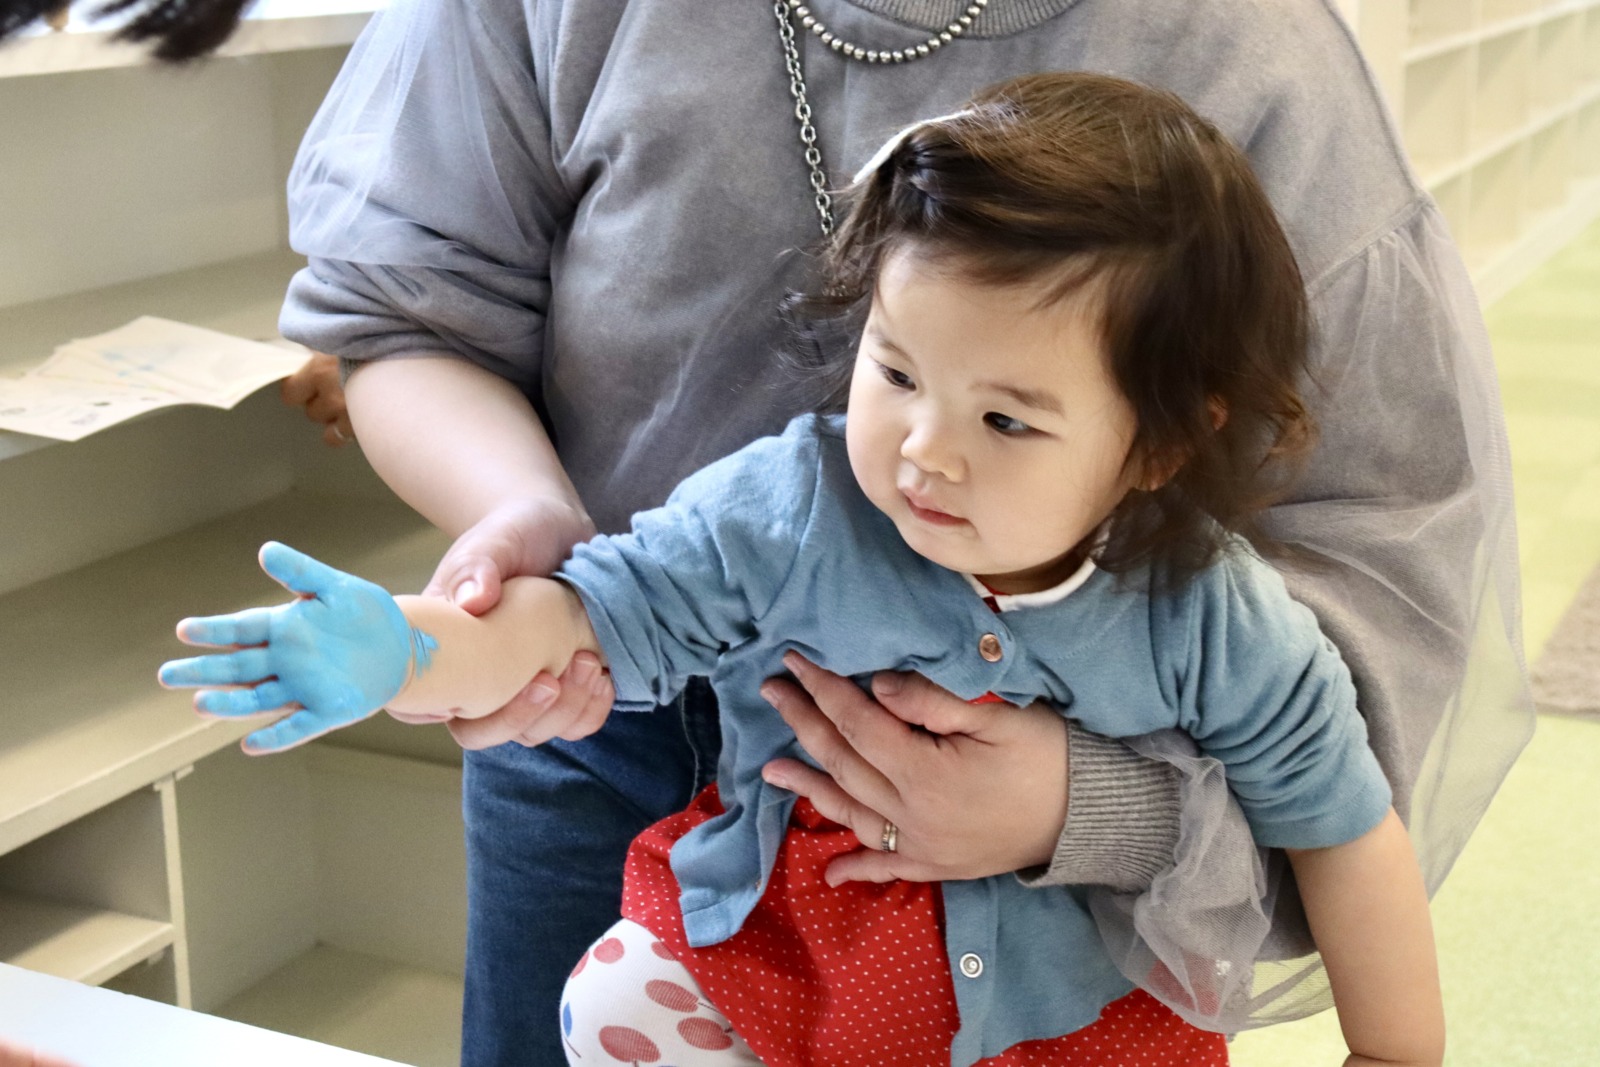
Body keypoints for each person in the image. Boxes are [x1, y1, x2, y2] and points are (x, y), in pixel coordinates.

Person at [6, 0, 1529, 1062]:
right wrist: (416, 640)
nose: (925, 453)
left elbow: (1342, 785)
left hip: (1071, 932)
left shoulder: (1206, 604)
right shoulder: (788, 509)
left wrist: (1091, 810)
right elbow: (572, 601)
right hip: (659, 824)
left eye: (1009, 418)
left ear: (1157, 445)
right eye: (895, 372)